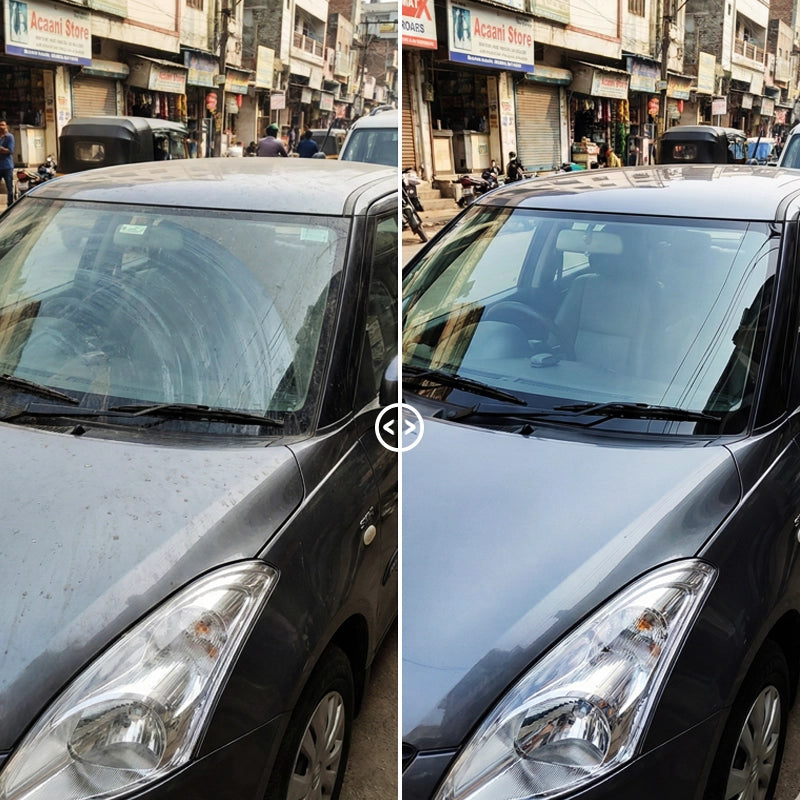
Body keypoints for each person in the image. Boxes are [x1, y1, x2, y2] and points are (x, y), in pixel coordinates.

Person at [0, 121, 13, 206]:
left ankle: (10, 205)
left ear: (6, 126)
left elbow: (10, 151)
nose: (1, 127)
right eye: (0, 125)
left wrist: (0, 149)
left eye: (3, 125)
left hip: (7, 166)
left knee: (9, 188)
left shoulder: (9, 137)